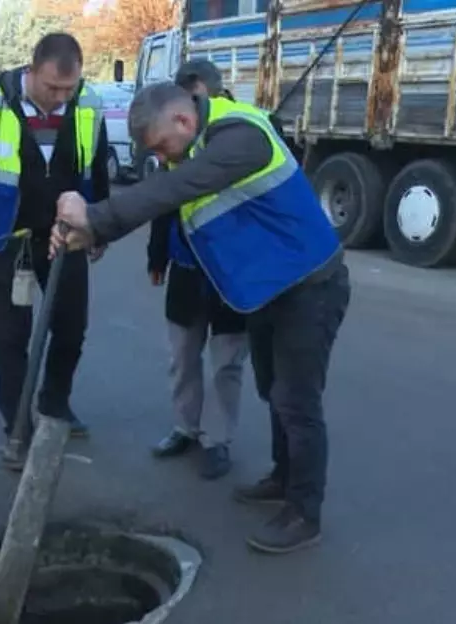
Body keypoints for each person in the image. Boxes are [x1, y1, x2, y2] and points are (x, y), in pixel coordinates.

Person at [51, 81, 352, 554]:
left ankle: (304, 513)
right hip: (271, 289)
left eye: (163, 146)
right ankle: (284, 476)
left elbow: (175, 187)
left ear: (184, 121)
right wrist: (96, 235)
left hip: (310, 287)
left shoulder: (239, 137)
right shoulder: (196, 148)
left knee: (297, 401)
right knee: (272, 391)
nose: (163, 159)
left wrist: (95, 215)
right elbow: (169, 199)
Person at [0, 32, 110, 470]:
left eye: (67, 90)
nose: (60, 98)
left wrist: (101, 228)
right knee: (13, 335)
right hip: (7, 238)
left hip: (66, 236)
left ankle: (55, 404)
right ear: (31, 70)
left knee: (72, 329)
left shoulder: (87, 104)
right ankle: (18, 423)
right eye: (52, 87)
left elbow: (97, 167)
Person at [146, 60, 249, 480]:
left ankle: (217, 439)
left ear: (202, 90)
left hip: (231, 270)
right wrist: (157, 255)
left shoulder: (244, 135)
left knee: (227, 362)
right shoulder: (176, 136)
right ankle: (185, 427)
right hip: (187, 265)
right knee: (183, 356)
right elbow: (162, 199)